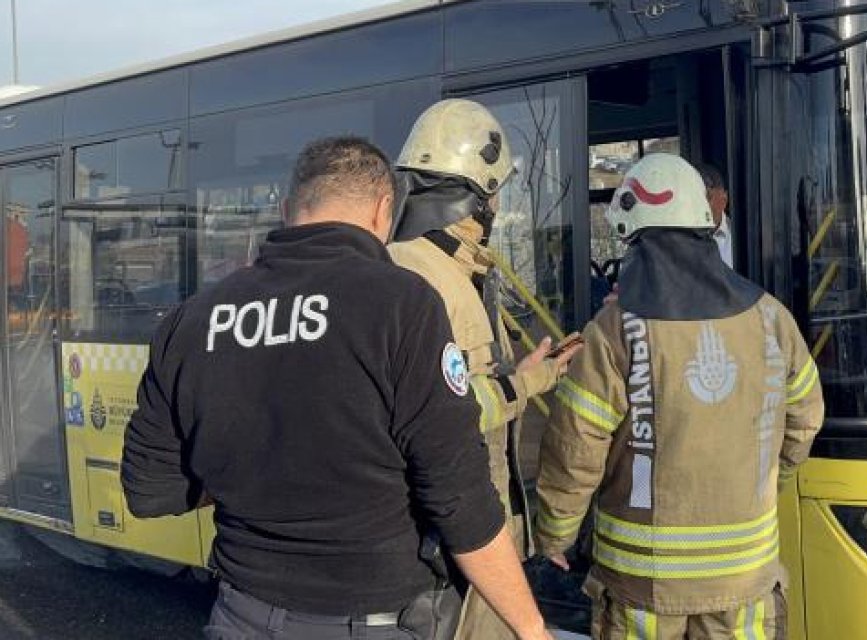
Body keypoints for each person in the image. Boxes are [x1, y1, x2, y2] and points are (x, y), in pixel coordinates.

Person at [121, 136, 553, 640]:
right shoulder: (402, 304)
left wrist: (264, 469)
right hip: (367, 621)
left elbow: (148, 491)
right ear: (383, 211)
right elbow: (458, 495)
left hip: (238, 618)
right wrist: (532, 627)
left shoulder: (192, 320)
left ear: (287, 210)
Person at [535, 154, 825, 639]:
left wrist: (554, 537)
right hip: (745, 584)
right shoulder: (772, 318)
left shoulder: (615, 330)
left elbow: (576, 448)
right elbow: (805, 419)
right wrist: (761, 483)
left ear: (635, 238)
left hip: (643, 590)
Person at [387, 99, 581, 640]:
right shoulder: (425, 278)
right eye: (496, 191)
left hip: (466, 544)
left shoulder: (446, 267)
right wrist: (525, 384)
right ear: (479, 194)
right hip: (452, 556)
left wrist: (529, 375)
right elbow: (443, 419)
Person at [695, 162, 733, 268]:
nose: (700, 206)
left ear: (724, 199)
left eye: (707, 197)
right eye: (695, 199)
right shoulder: (681, 241)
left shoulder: (741, 237)